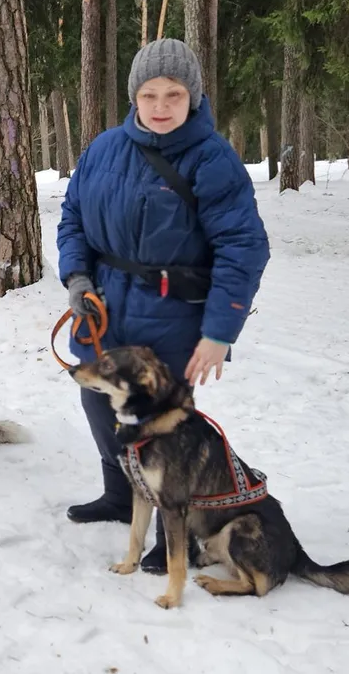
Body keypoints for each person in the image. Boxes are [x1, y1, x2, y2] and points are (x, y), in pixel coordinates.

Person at [56, 38, 271, 572]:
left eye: (174, 94)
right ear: (133, 96)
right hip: (104, 305)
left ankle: (172, 528)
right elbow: (73, 221)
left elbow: (244, 248)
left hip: (172, 316)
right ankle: (118, 492)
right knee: (97, 402)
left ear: (193, 97)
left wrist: (220, 331)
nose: (160, 106)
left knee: (166, 426)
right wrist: (77, 276)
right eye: (149, 94)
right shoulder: (103, 148)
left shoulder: (213, 159)